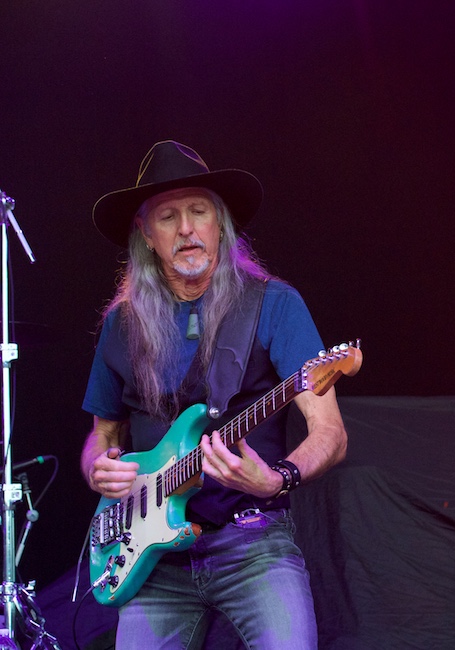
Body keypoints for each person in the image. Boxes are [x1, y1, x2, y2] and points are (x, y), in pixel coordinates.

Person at [80, 140, 348, 649]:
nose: (186, 229)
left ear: (219, 223)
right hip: (149, 557)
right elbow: (102, 437)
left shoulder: (274, 304)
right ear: (145, 234)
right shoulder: (122, 324)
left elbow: (331, 433)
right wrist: (98, 467)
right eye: (167, 217)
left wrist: (278, 478)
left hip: (252, 541)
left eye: (198, 211)